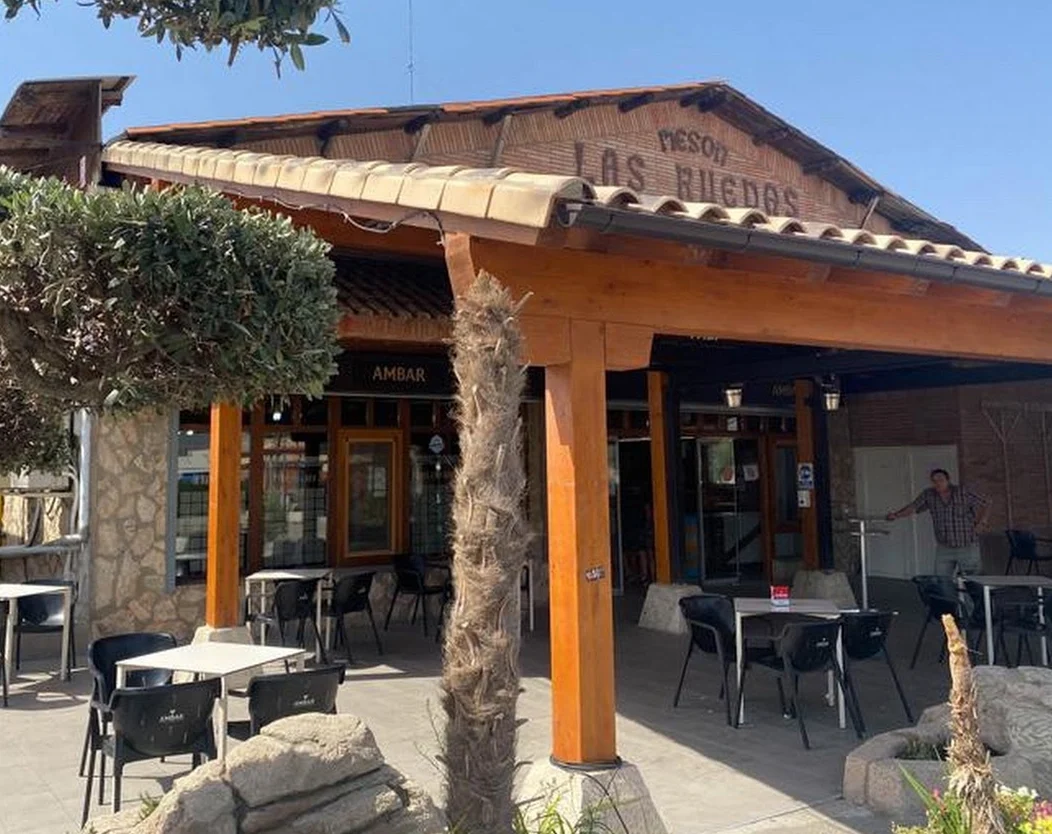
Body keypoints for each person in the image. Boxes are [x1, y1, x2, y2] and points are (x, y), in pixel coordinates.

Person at [886, 468, 989, 577]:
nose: (938, 483)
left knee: (973, 579)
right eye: (934, 481)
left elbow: (985, 503)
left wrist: (982, 522)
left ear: (948, 480)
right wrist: (896, 515)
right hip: (944, 547)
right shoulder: (929, 494)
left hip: (967, 545)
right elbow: (913, 507)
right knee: (941, 580)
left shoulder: (963, 492)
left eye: (941, 480)